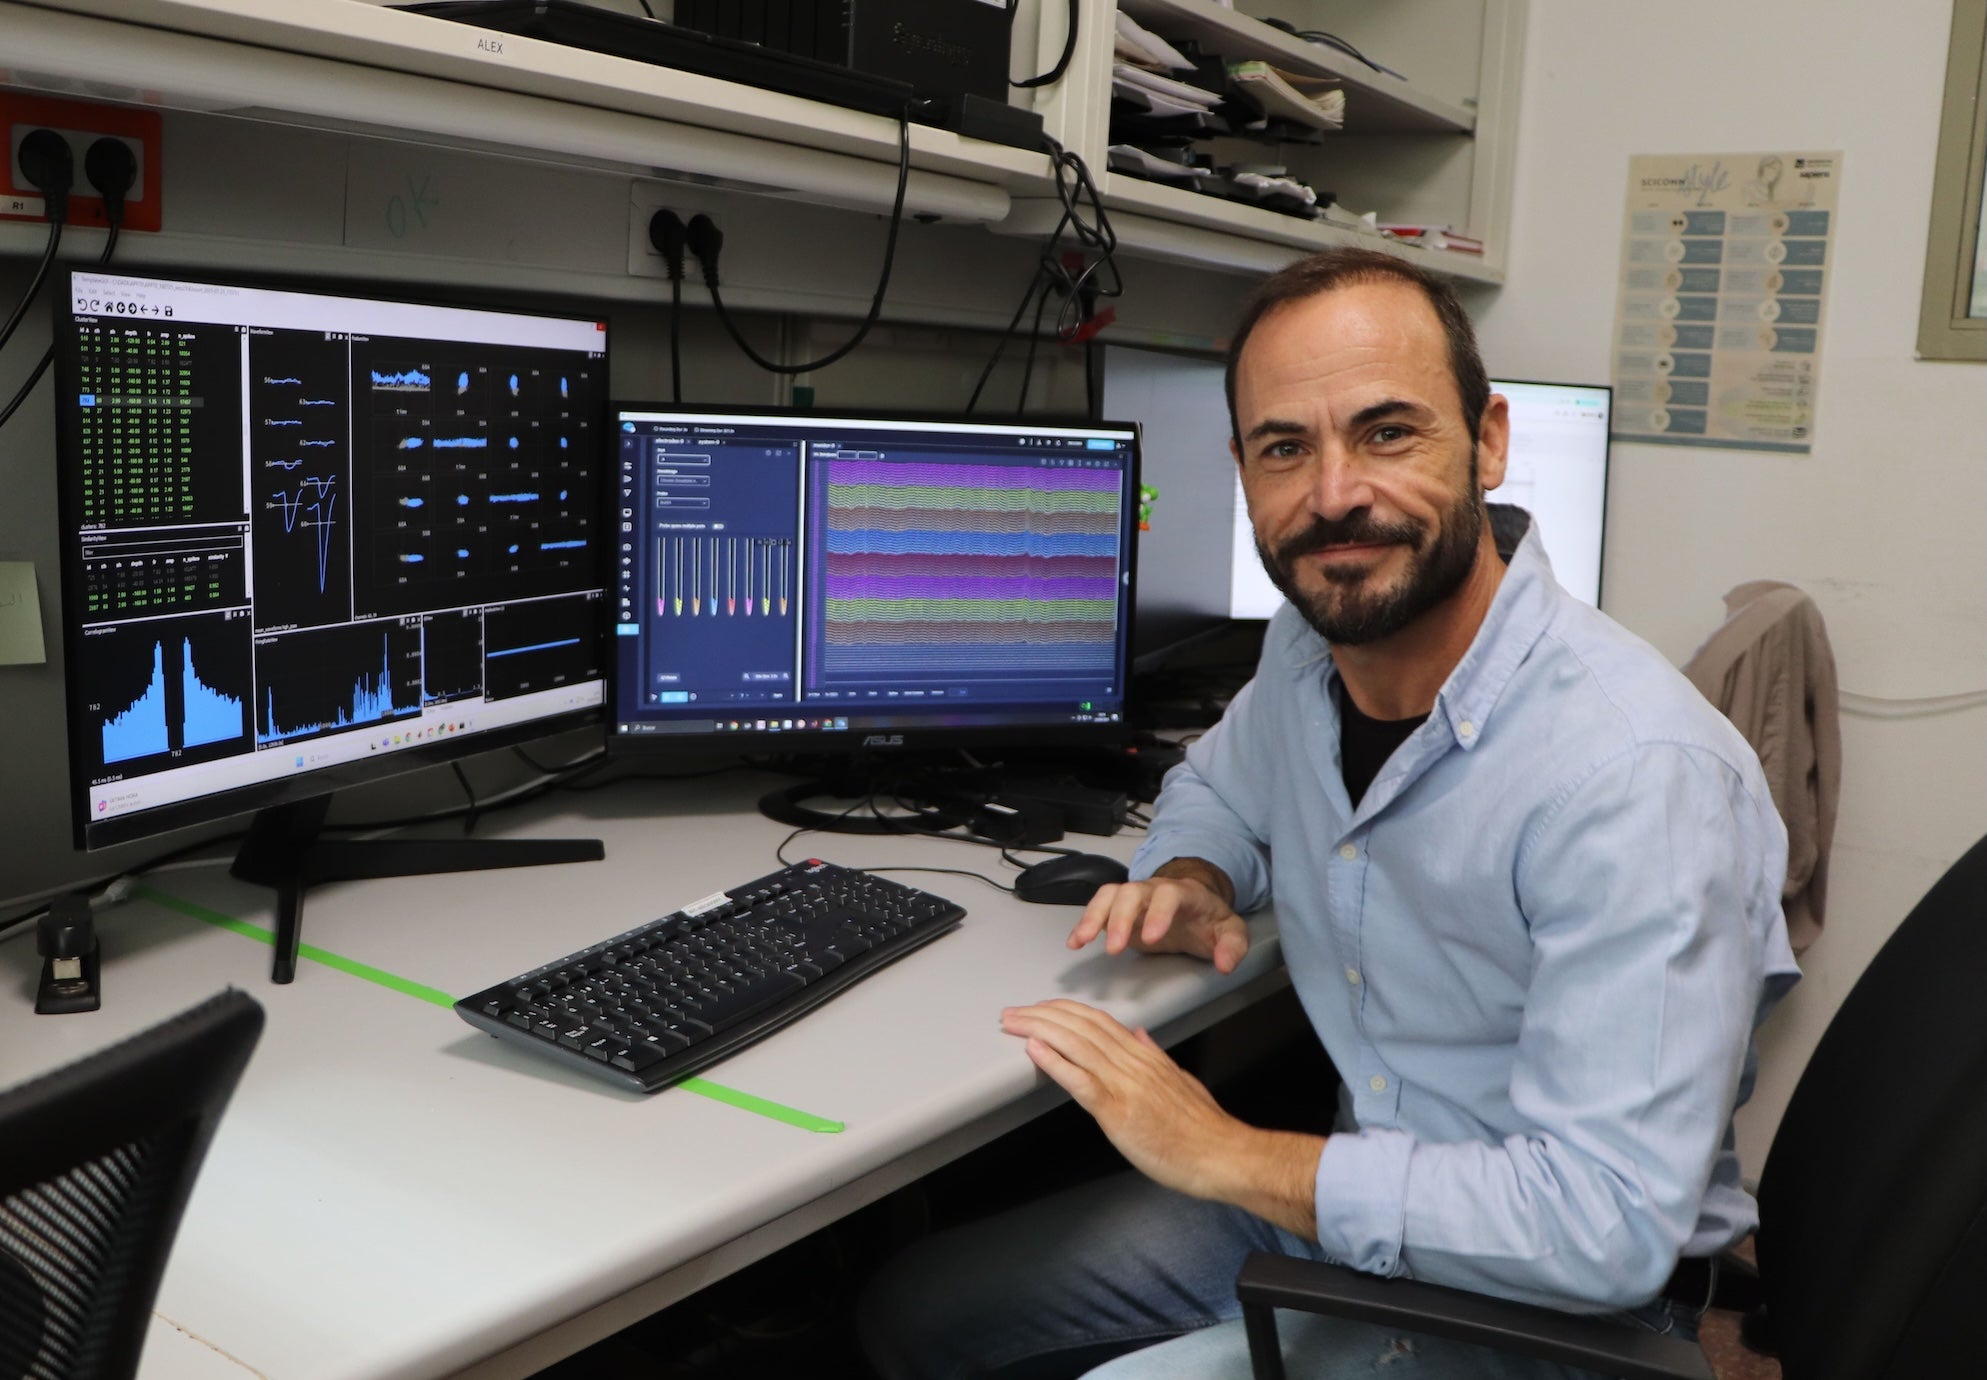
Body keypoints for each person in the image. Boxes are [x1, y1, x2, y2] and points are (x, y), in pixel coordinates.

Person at [857, 247, 1800, 1379]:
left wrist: (1221, 1152)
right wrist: (1195, 873)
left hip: (1557, 1309)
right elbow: (1218, 782)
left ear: (1488, 440)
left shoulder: (1635, 775)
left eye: (1387, 432)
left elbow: (1596, 1226)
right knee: (913, 1311)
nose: (1334, 493)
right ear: (1242, 470)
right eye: (1285, 448)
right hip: (1353, 1205)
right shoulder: (1315, 645)